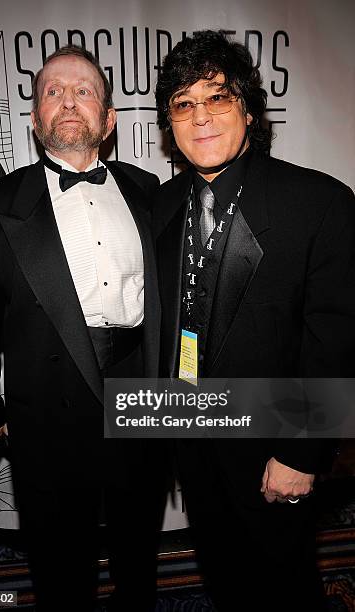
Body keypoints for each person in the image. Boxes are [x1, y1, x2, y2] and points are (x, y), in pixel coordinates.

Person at [0, 45, 167, 611]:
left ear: (109, 118)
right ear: (34, 118)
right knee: (59, 566)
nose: (68, 102)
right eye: (53, 91)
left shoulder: (152, 192)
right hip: (47, 404)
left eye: (83, 91)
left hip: (138, 397)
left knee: (137, 554)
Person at [154, 30, 355, 611]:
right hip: (194, 444)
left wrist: (301, 452)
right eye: (184, 104)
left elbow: (337, 341)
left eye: (217, 97)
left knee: (285, 589)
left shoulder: (320, 204)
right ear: (170, 122)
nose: (201, 117)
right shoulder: (162, 208)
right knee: (226, 581)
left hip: (275, 452)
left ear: (249, 106)